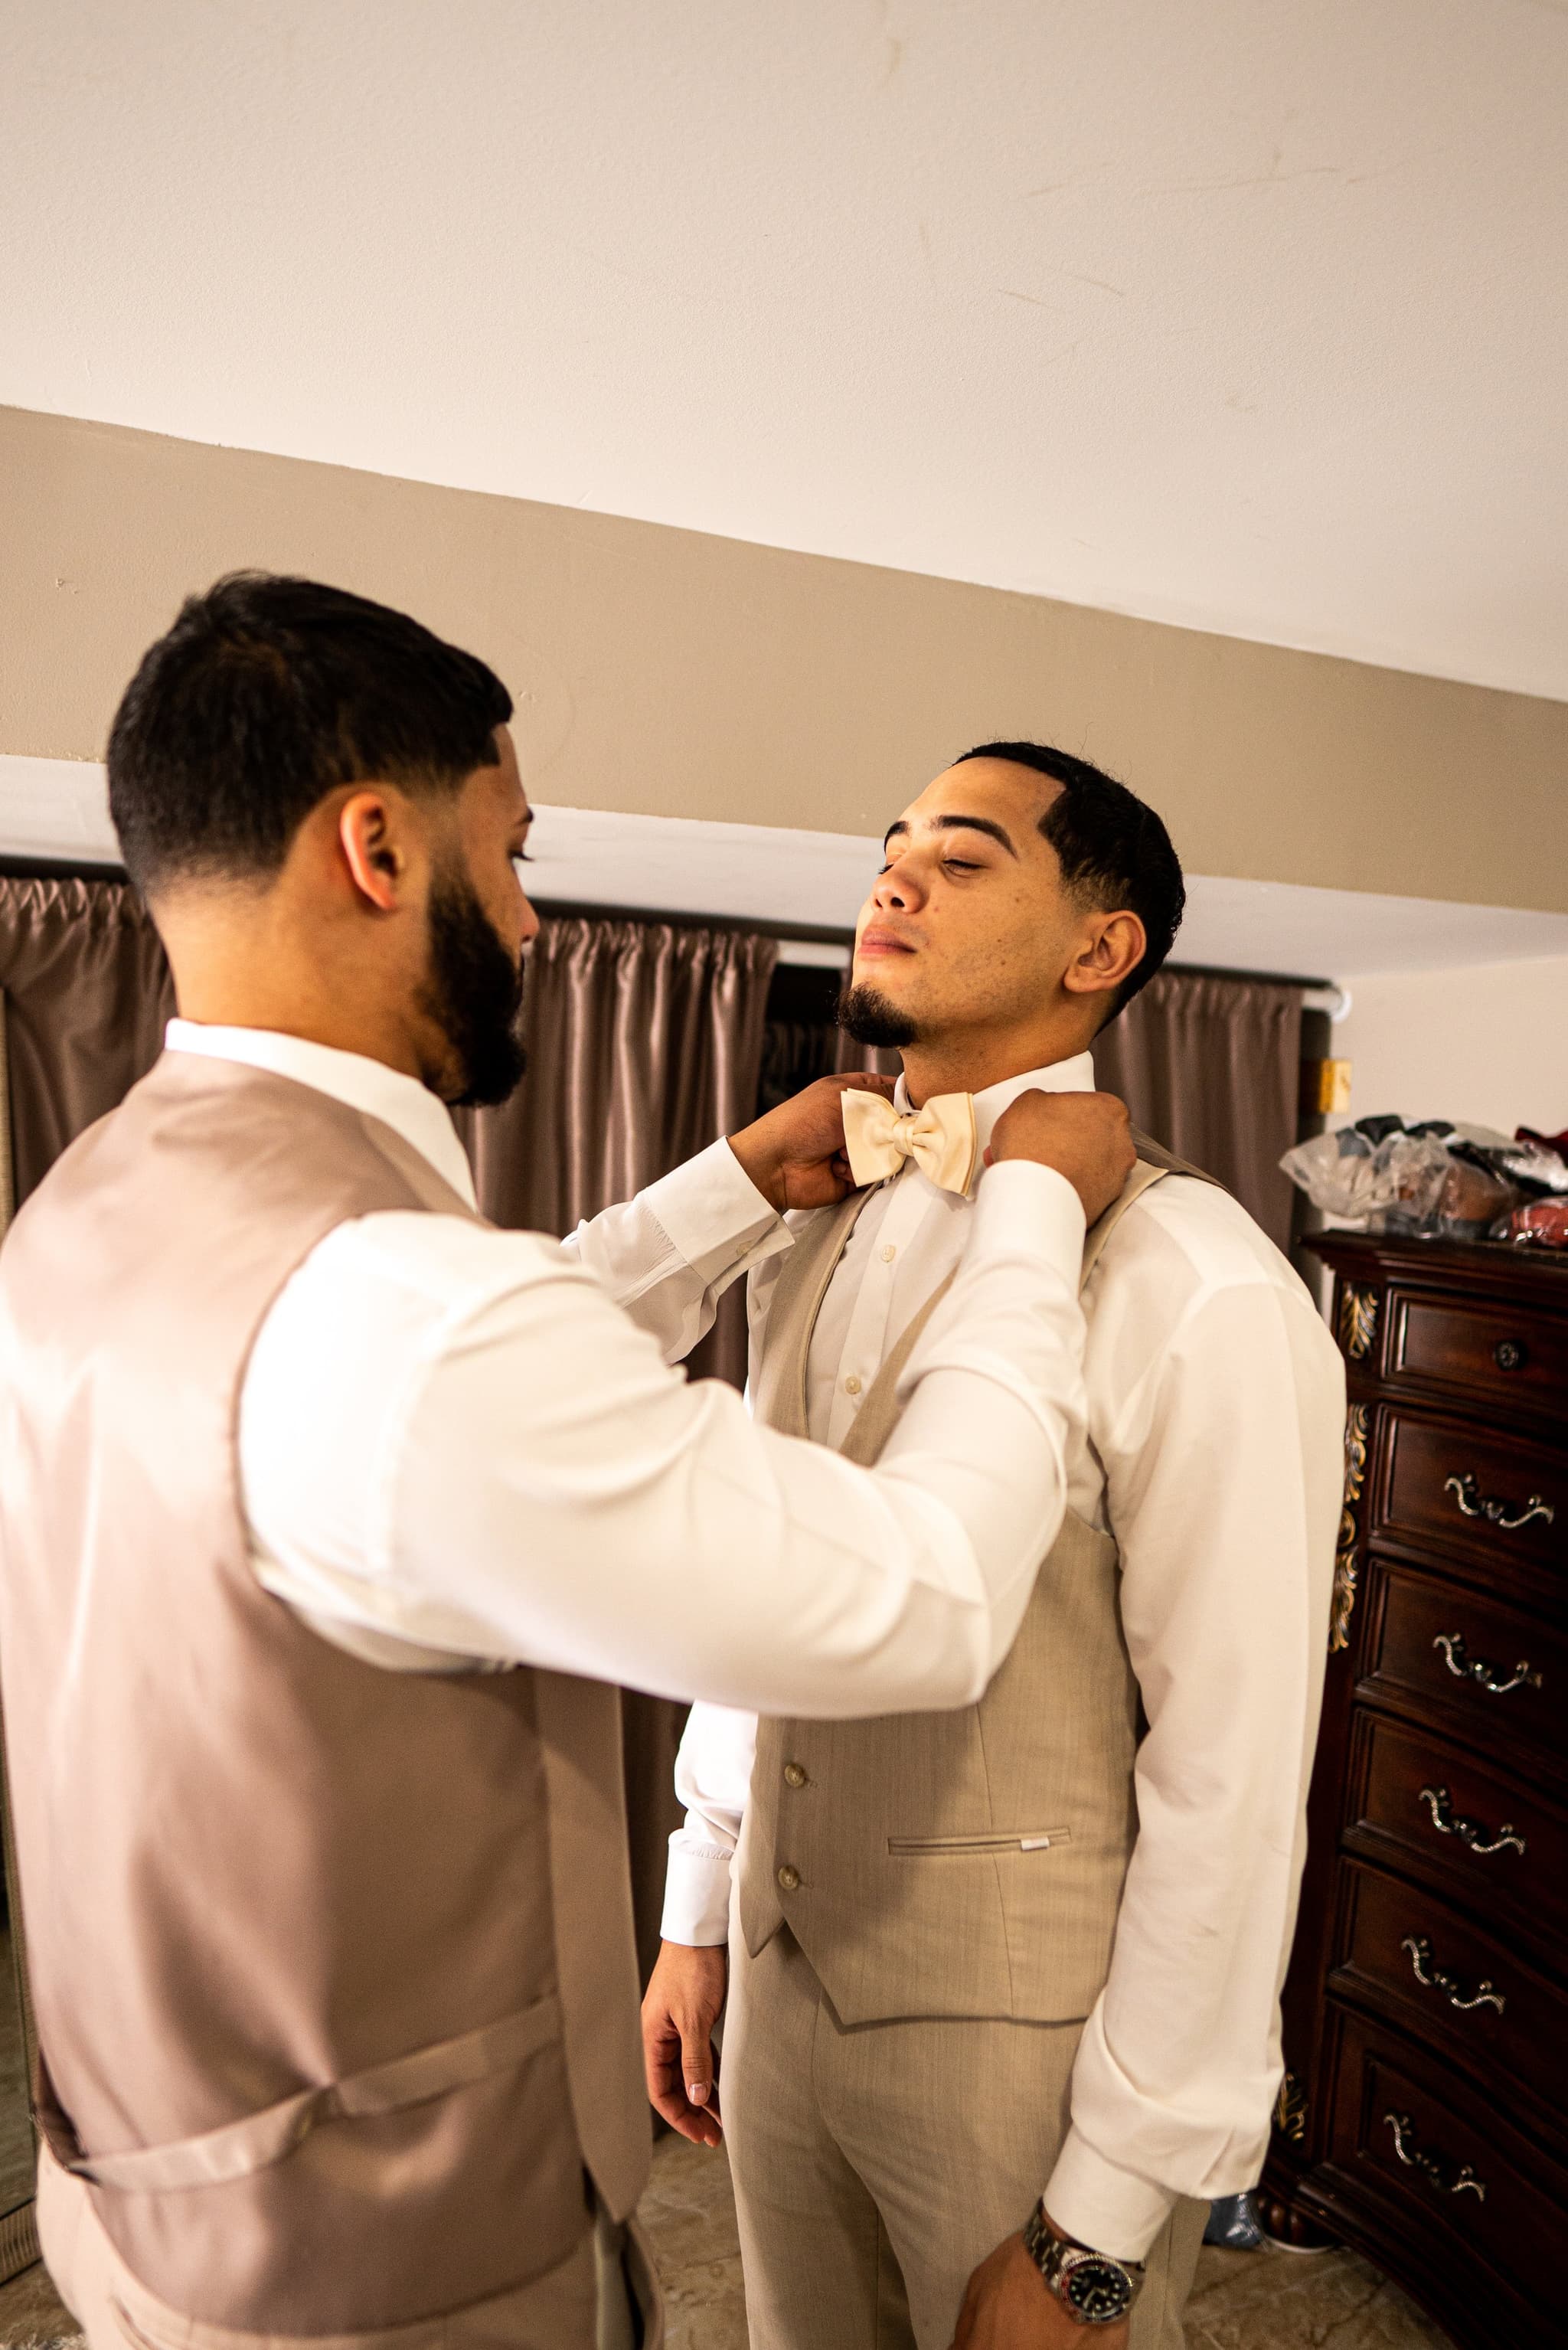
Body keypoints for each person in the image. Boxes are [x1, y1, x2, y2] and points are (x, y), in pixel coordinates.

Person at [0, 590, 1138, 2350]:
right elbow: (919, 1596)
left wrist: (722, 1190)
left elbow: (448, 1388)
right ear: (378, 847)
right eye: (511, 852)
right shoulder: (400, 1313)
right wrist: (1033, 1218)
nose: (529, 913)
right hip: (392, 2266)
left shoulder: (87, 1208)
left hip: (151, 2184)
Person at [642, 743, 1347, 2350]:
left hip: (1019, 2056)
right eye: (889, 849)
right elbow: (776, 1581)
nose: (890, 879)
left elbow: (1231, 1781)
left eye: (960, 860)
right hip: (779, 1980)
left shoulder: (1203, 1284)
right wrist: (701, 1895)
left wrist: (1099, 2220)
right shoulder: (812, 1209)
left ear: (1102, 949)